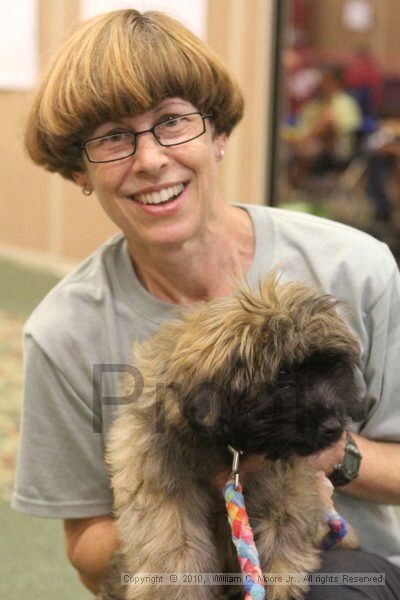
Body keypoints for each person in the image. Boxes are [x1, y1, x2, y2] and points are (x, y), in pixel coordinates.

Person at [12, 9, 400, 599]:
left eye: (171, 121)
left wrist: (325, 454)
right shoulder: (64, 332)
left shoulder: (354, 269)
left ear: (218, 135)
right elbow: (88, 555)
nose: (149, 161)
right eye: (113, 137)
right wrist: (174, 485)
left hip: (339, 568)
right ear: (80, 170)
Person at [285, 65, 362, 188]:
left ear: (336, 82)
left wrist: (308, 138)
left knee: (328, 119)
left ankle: (303, 151)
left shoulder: (346, 103)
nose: (322, 85)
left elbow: (348, 130)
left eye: (326, 81)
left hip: (337, 151)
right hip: (308, 146)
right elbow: (301, 126)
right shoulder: (313, 105)